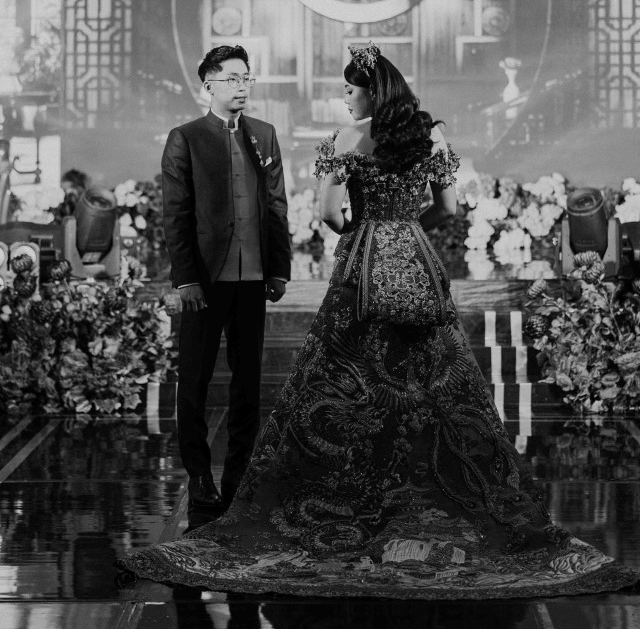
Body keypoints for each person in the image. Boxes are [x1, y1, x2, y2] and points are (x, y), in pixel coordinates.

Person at [120, 43, 636, 599]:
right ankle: (434, 485)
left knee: (342, 380)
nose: (345, 98)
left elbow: (326, 213)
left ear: (368, 91)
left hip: (360, 264)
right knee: (436, 381)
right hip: (416, 259)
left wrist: (364, 230)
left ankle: (336, 487)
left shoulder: (345, 139)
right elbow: (449, 209)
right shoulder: (430, 134)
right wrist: (406, 229)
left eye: (349, 90)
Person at [161, 44, 291, 518]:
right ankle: (199, 474)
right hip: (205, 279)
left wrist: (279, 268)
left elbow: (276, 204)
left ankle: (239, 474)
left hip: (253, 276)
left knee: (247, 381)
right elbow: (176, 215)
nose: (242, 87)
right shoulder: (186, 138)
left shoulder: (264, 134)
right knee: (194, 379)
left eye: (246, 78)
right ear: (209, 84)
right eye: (233, 78)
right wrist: (186, 280)